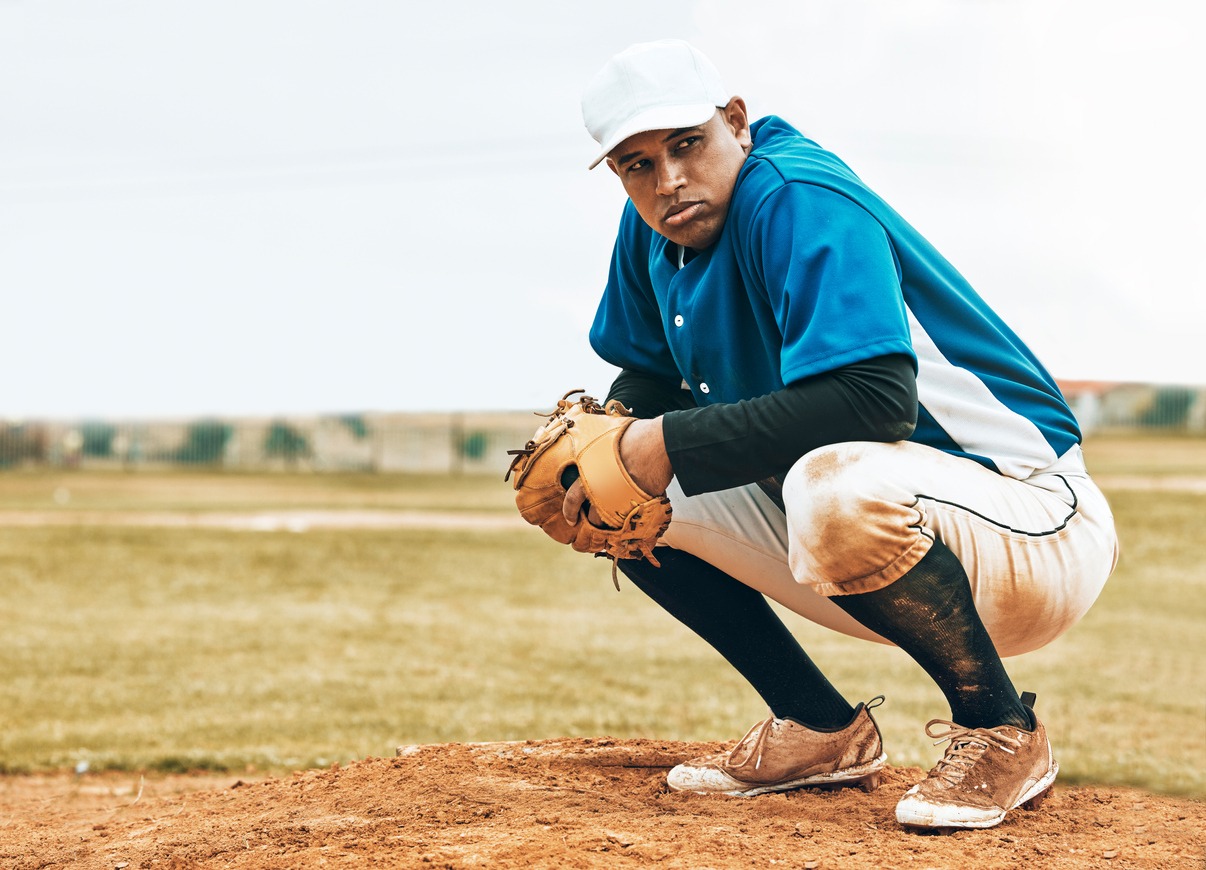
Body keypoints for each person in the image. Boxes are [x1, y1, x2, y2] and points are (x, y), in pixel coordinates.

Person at [565, 39, 1119, 831]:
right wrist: (612, 439)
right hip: (869, 538)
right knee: (605, 491)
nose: (668, 180)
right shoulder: (654, 228)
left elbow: (874, 399)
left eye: (686, 144)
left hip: (1033, 523)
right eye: (637, 164)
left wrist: (662, 443)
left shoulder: (798, 196)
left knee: (829, 481)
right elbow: (647, 376)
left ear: (735, 122)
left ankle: (1002, 729)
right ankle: (819, 728)